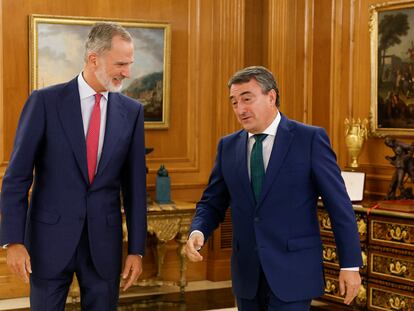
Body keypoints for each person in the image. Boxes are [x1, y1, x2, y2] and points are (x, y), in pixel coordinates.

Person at [185, 66, 362, 310]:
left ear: (271, 97)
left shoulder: (309, 139)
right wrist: (198, 231)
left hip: (294, 272)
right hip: (246, 274)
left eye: (247, 99)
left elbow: (339, 207)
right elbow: (212, 202)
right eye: (234, 102)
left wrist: (350, 265)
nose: (240, 109)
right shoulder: (227, 147)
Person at [0, 23, 147, 310]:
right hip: (48, 242)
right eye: (121, 63)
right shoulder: (44, 102)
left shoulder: (132, 112)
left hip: (104, 245)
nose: (127, 72)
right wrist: (13, 241)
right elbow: (16, 178)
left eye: (130, 64)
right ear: (94, 59)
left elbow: (135, 188)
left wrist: (137, 250)